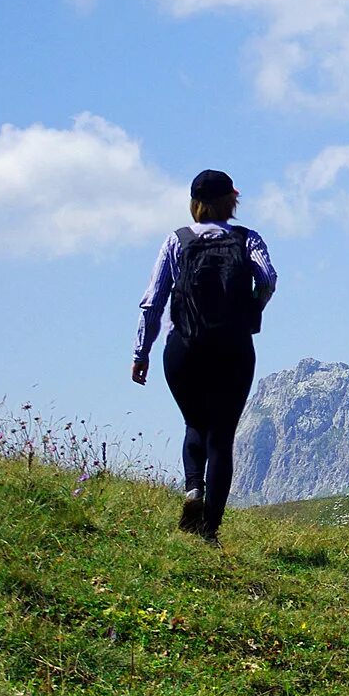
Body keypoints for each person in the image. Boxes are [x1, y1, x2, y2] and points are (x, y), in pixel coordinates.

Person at [133, 169, 276, 543]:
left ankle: (192, 489)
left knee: (195, 424)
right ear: (231, 200)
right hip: (233, 347)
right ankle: (209, 530)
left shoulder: (176, 240)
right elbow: (268, 279)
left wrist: (141, 352)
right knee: (222, 436)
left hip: (185, 347)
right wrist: (250, 309)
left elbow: (153, 302)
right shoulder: (247, 239)